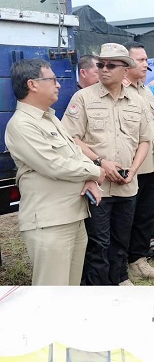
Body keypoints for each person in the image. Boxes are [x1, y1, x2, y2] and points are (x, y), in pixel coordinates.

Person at [4, 59, 104, 285]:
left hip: (74, 216)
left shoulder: (50, 118)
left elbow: (74, 151)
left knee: (70, 290)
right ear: (33, 84)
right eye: (52, 79)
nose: (58, 85)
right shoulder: (22, 125)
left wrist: (89, 177)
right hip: (50, 222)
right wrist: (95, 171)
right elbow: (52, 164)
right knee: (50, 295)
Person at [61, 43, 152, 286]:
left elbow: (145, 140)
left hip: (127, 184)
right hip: (97, 185)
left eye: (111, 65)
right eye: (100, 64)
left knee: (121, 238)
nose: (103, 69)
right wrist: (100, 162)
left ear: (125, 70)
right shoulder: (83, 98)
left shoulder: (137, 101)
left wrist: (133, 169)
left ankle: (119, 279)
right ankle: (97, 288)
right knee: (98, 242)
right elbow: (70, 138)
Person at [122, 42, 154, 282]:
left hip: (150, 166)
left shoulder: (147, 92)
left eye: (147, 59)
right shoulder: (121, 91)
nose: (146, 64)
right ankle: (122, 264)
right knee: (127, 217)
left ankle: (139, 260)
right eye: (140, 60)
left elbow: (153, 132)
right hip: (131, 168)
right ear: (126, 64)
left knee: (146, 216)